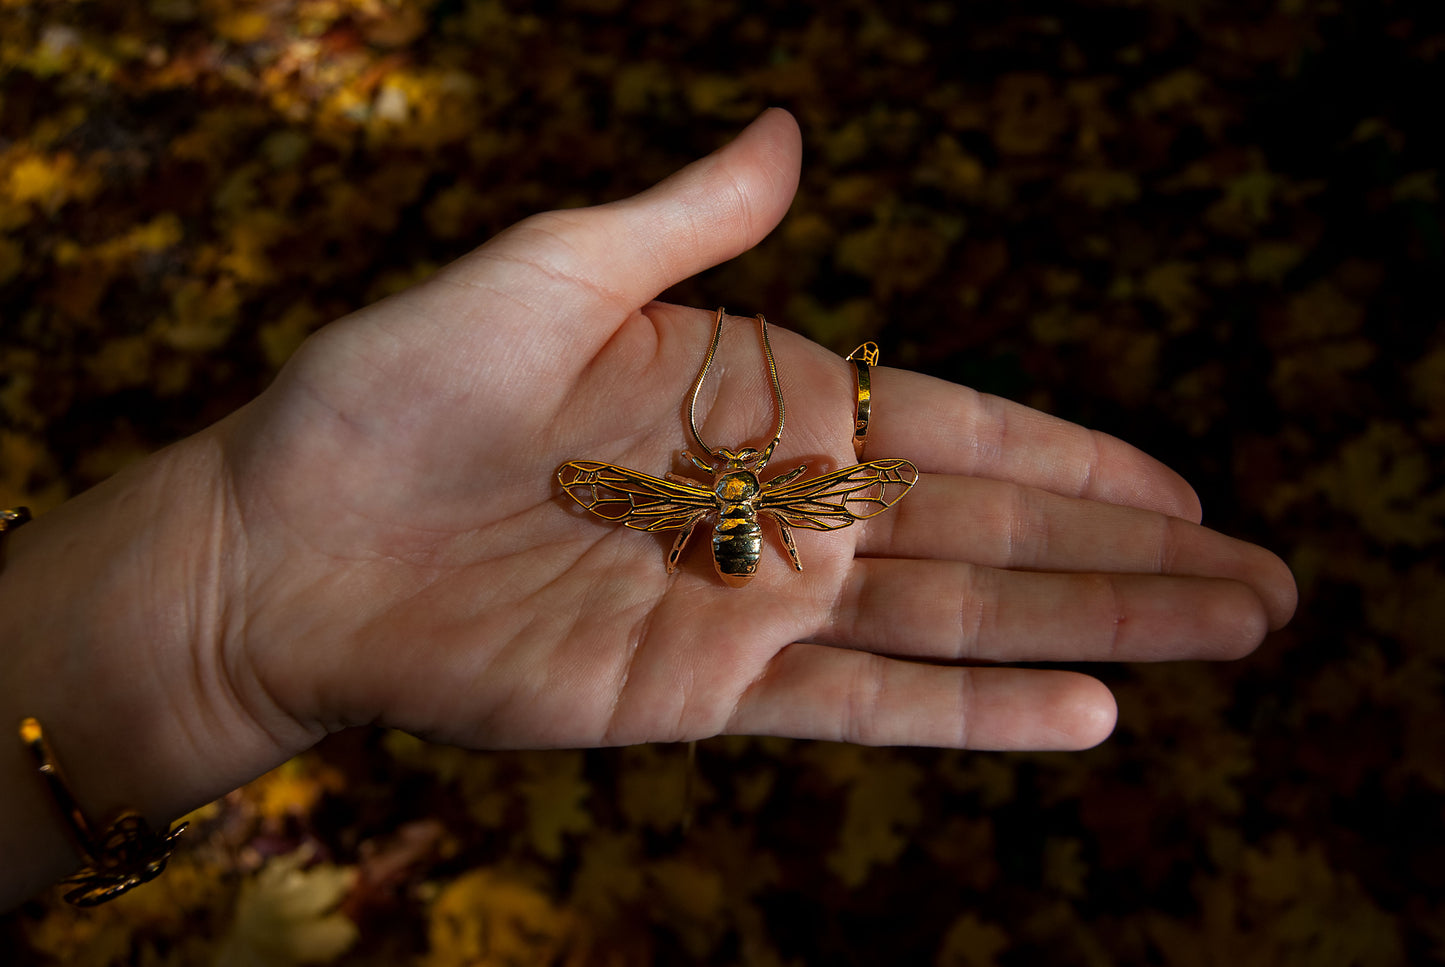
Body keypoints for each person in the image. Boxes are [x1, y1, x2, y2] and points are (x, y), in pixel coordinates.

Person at [0, 108, 1296, 910]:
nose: (731, 501)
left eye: (737, 501)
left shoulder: (706, 500)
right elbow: (735, 497)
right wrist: (220, 616)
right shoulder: (748, 500)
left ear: (738, 502)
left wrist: (224, 613)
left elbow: (730, 497)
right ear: (731, 499)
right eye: (727, 499)